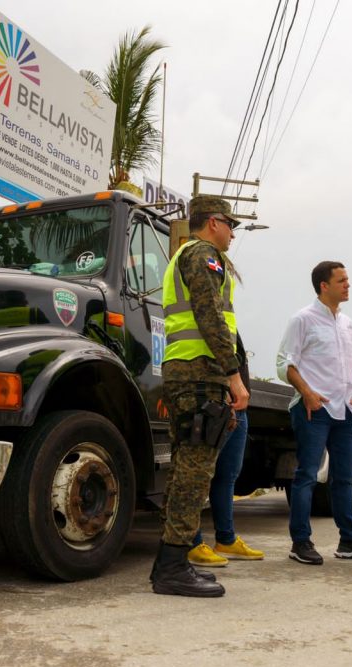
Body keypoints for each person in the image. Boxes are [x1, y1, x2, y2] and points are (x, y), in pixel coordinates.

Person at [150, 195, 249, 598]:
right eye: (231, 225)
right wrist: (233, 375)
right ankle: (172, 568)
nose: (233, 233)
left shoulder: (183, 255)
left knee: (184, 471)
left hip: (186, 372)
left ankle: (170, 562)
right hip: (200, 374)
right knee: (194, 474)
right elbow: (209, 315)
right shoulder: (204, 255)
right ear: (213, 222)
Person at [277, 261, 352, 565]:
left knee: (345, 477)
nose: (348, 285)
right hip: (314, 409)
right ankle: (300, 542)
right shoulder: (302, 319)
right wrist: (308, 394)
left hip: (344, 410)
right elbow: (284, 364)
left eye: (348, 279)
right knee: (307, 476)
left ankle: (349, 540)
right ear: (324, 286)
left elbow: (351, 364)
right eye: (342, 280)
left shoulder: (347, 323)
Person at [188, 334, 264, 567]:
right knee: (198, 474)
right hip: (218, 402)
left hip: (238, 407)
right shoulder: (209, 314)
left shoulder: (230, 320)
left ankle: (226, 540)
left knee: (228, 474)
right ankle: (191, 542)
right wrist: (224, 393)